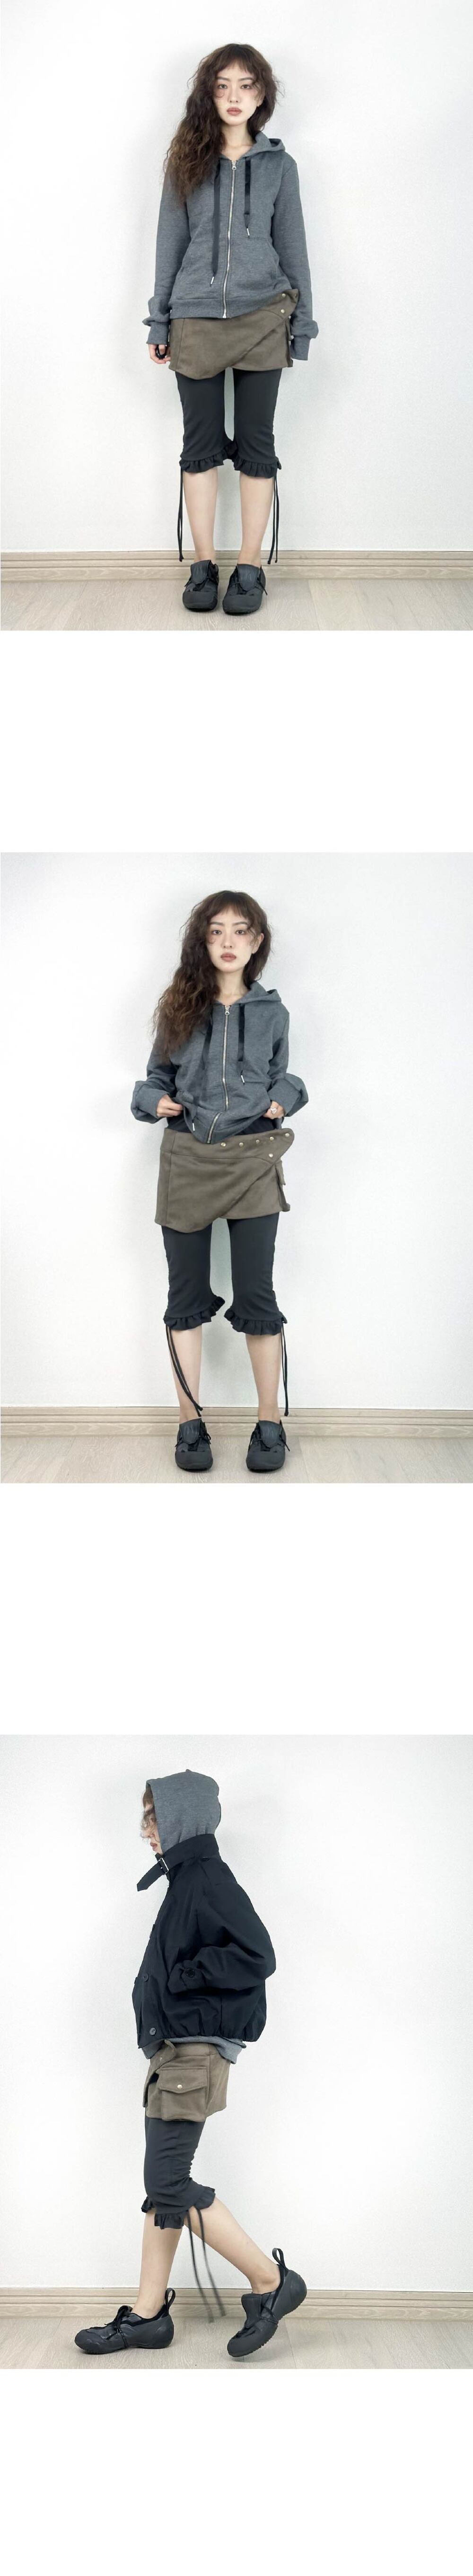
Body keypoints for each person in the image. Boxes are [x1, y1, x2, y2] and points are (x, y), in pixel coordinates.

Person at [75, 1769, 307, 2361]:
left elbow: (257, 1955)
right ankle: (148, 2317)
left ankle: (271, 2282)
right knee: (164, 2189)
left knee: (167, 2182)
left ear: (180, 1817)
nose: (146, 1832)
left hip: (193, 2053)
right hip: (176, 2053)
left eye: (152, 1818)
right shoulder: (188, 1879)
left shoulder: (205, 1876)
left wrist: (182, 1978)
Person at [131, 888, 308, 1473]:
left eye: (240, 930)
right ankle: (190, 1424)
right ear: (202, 942)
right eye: (216, 931)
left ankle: (270, 1424)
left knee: (258, 1295)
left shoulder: (273, 1013)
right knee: (184, 1298)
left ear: (257, 942)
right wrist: (153, 1100)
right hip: (186, 1158)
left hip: (253, 1158)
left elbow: (284, 1076)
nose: (228, 941)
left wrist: (284, 1098)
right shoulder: (178, 1006)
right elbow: (155, 1077)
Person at [145, 44, 317, 613]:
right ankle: (202, 566)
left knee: (256, 446)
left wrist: (302, 326)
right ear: (208, 95)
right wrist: (160, 319)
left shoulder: (279, 167)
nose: (234, 96)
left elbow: (293, 248)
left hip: (265, 316)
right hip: (194, 317)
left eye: (246, 85)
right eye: (222, 86)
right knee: (198, 448)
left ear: (261, 94)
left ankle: (249, 567)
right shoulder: (186, 162)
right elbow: (169, 244)